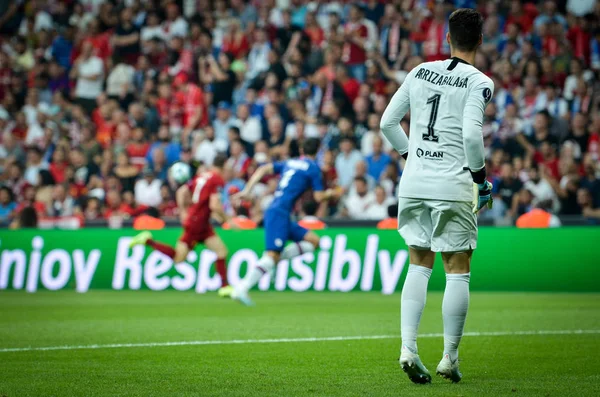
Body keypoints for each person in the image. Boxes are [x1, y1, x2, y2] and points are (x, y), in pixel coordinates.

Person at [380, 9, 494, 384]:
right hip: (452, 184)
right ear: (479, 40)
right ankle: (449, 357)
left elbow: (386, 123)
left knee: (418, 264)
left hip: (413, 183)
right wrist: (480, 179)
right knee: (457, 269)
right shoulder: (479, 82)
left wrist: (410, 156)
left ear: (447, 38)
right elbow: (471, 136)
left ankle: (408, 348)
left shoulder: (418, 72)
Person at [231, 138, 340, 305]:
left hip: (280, 212)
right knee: (270, 256)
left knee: (314, 241)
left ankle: (275, 260)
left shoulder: (291, 162)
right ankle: (242, 288)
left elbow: (263, 168)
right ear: (317, 152)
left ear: (302, 150)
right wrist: (332, 193)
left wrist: (247, 190)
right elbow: (319, 197)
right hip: (278, 213)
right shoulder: (313, 169)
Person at [129, 154, 235, 298]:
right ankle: (148, 240)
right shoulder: (217, 179)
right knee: (179, 258)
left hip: (201, 222)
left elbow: (183, 190)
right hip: (197, 224)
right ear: (224, 165)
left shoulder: (203, 176)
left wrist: (184, 209)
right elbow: (215, 205)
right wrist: (227, 220)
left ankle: (225, 287)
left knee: (221, 251)